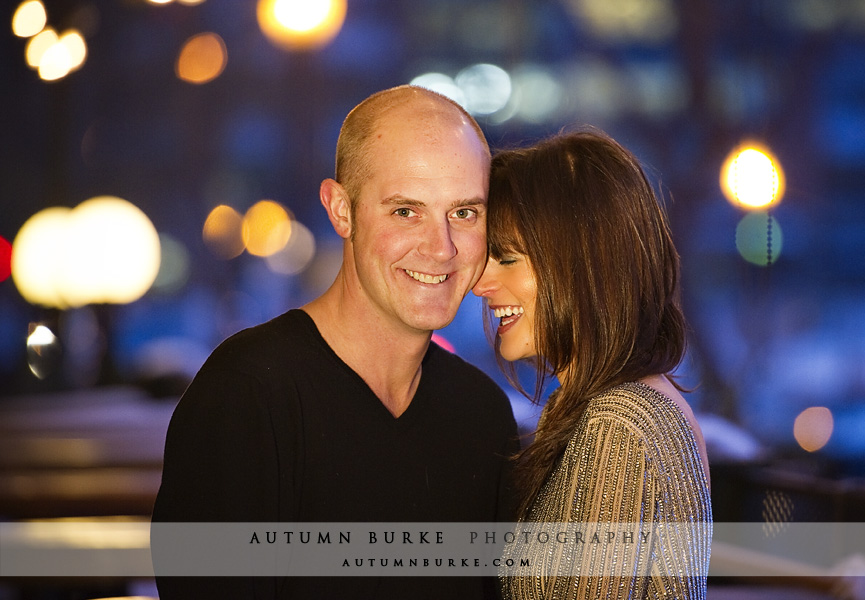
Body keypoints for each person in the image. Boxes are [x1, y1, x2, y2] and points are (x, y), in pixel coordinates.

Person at [152, 85, 519, 599]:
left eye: (464, 213)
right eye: (405, 211)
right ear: (341, 210)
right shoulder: (246, 395)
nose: (442, 248)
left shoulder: (483, 415)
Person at [473, 130, 712, 599]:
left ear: (580, 264)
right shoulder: (620, 405)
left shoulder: (619, 425)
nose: (480, 282)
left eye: (506, 259)